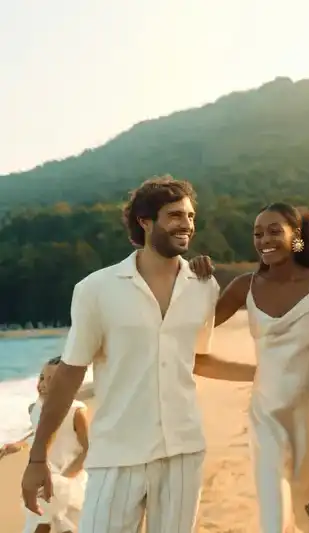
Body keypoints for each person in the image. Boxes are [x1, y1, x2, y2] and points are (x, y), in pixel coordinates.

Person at [20, 176, 255, 533]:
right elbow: (70, 373)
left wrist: (262, 371)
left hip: (183, 450)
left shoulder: (203, 286)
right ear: (144, 221)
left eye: (191, 217)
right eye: (175, 216)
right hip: (118, 453)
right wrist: (38, 456)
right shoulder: (96, 289)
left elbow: (195, 358)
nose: (187, 225)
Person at [188, 202, 309, 533]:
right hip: (266, 415)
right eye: (257, 233)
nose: (264, 239)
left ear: (297, 236)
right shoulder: (245, 286)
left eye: (275, 230)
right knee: (273, 515)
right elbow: (193, 330)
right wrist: (195, 281)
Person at [1, 357, 88, 533]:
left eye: (51, 380)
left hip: (68, 477)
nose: (43, 384)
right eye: (41, 378)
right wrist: (18, 445)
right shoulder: (34, 408)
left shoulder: (77, 411)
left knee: (63, 525)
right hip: (43, 476)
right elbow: (38, 435)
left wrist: (65, 478)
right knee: (41, 521)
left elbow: (88, 449)